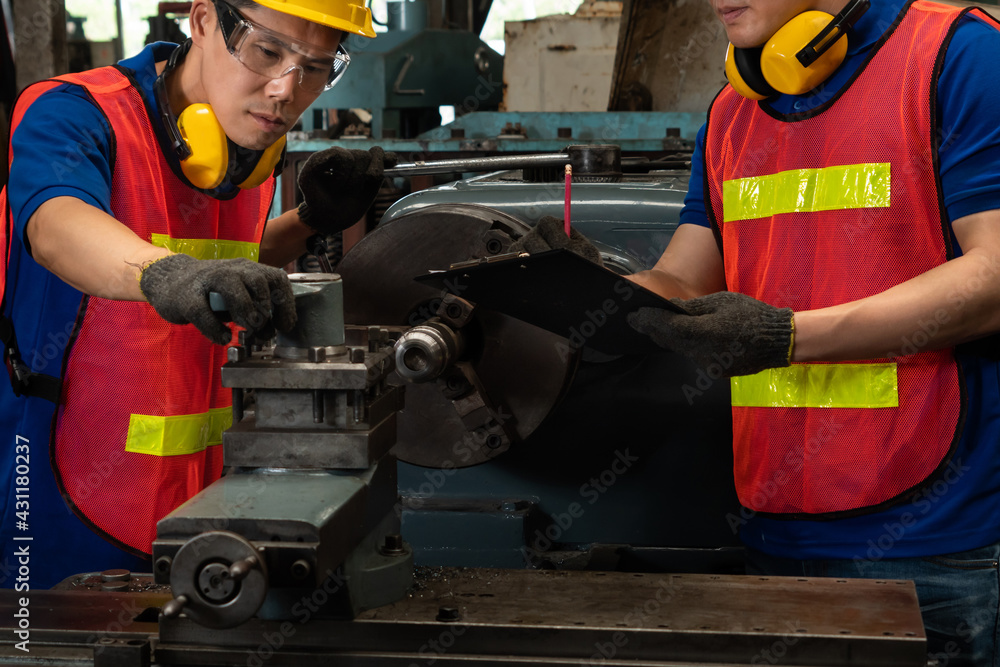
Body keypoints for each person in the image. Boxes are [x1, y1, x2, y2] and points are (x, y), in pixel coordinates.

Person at [522, 0, 1000, 663]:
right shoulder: (733, 111)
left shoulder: (957, 56)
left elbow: (995, 276)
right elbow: (682, 283)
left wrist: (787, 335)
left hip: (934, 542)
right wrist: (580, 287)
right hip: (774, 523)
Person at [0, 0, 395, 588]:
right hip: (65, 487)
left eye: (315, 67)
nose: (287, 90)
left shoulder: (249, 144)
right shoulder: (75, 112)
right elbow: (56, 227)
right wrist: (166, 275)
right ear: (205, 20)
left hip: (207, 500)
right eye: (267, 51)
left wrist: (311, 219)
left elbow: (225, 274)